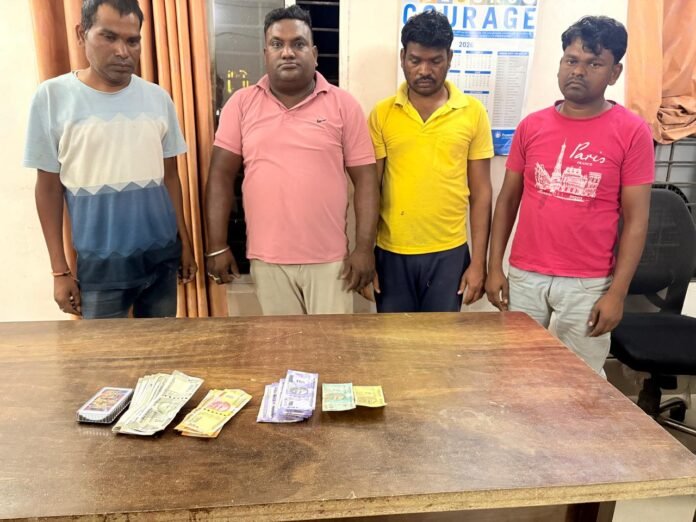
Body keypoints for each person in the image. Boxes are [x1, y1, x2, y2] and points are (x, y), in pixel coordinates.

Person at [485, 16, 654, 374]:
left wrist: (617, 293)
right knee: (516, 371)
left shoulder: (632, 132)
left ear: (615, 72)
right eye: (571, 60)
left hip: (588, 282)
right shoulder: (531, 126)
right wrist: (494, 266)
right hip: (525, 274)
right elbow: (508, 201)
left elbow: (637, 221)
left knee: (581, 379)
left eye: (594, 64)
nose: (578, 71)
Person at [24, 0, 196, 319]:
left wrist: (184, 242)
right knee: (102, 352)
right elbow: (48, 189)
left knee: (160, 349)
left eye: (132, 40)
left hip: (161, 260)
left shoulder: (158, 98)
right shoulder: (52, 98)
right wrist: (59, 271)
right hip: (100, 269)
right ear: (81, 34)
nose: (122, 51)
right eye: (109, 37)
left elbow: (170, 177)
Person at [205, 5, 379, 315]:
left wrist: (364, 249)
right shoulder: (241, 104)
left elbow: (366, 179)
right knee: (282, 343)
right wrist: (217, 245)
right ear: (265, 53)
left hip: (330, 262)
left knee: (331, 343)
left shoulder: (343, 105)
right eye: (277, 44)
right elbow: (220, 175)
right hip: (267, 260)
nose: (287, 52)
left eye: (298, 44)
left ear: (314, 53)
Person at [367, 10, 493, 313]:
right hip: (391, 252)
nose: (425, 70)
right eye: (415, 60)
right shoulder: (383, 114)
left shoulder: (473, 112)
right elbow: (370, 191)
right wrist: (366, 254)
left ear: (449, 58)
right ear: (403, 58)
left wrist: (479, 262)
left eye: (435, 61)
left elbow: (481, 193)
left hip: (449, 253)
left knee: (442, 339)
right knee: (394, 338)